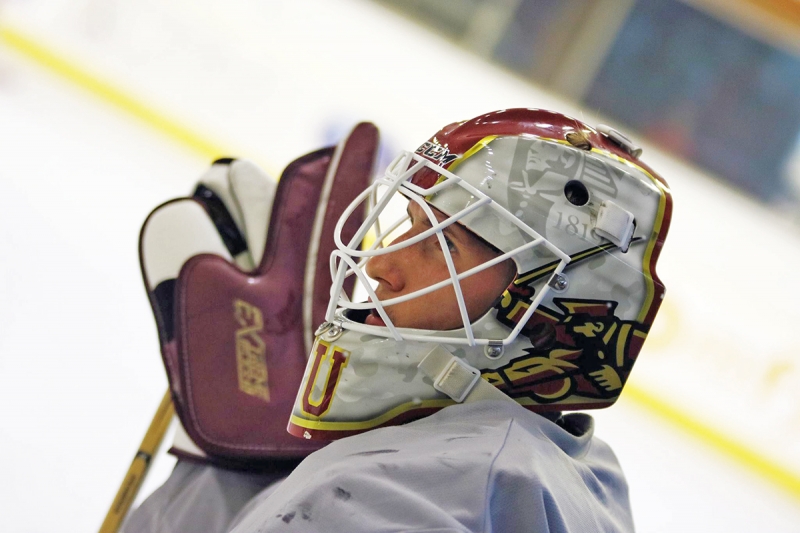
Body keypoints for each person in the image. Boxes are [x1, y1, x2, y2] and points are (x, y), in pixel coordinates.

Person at [125, 108, 673, 533]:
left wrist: (212, 478)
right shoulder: (586, 473)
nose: (383, 265)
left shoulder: (392, 496)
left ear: (542, 296)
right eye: (409, 222)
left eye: (442, 245)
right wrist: (251, 463)